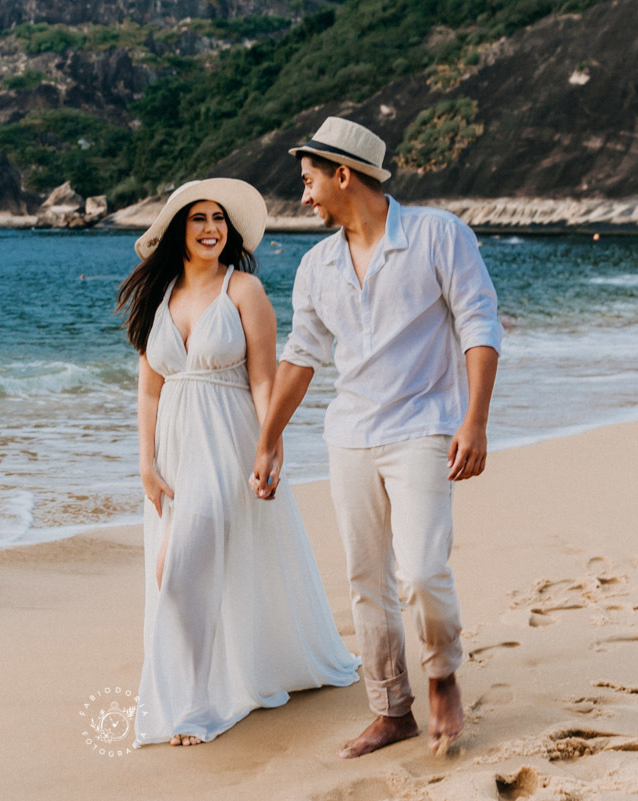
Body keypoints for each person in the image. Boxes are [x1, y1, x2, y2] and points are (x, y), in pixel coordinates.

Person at [251, 117, 502, 757]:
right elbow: (301, 357)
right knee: (367, 579)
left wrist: (474, 420)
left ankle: (441, 671)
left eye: (308, 182)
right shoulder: (317, 266)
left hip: (425, 427)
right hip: (350, 435)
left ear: (343, 174)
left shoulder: (438, 235)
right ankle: (392, 709)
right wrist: (269, 438)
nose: (303, 196)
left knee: (420, 569)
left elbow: (479, 324)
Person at [116, 178, 360, 748]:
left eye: (218, 219)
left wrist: (268, 444)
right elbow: (149, 389)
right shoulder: (163, 294)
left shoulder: (243, 289)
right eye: (199, 219)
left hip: (227, 442)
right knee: (175, 573)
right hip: (174, 451)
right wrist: (146, 464)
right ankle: (191, 691)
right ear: (180, 230)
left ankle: (196, 707)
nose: (210, 229)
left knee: (179, 570)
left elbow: (262, 378)